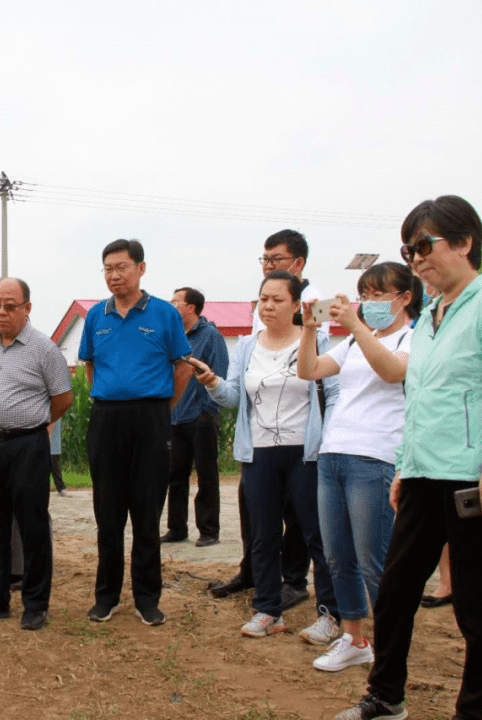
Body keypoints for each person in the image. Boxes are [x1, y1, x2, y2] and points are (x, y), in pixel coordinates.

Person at [336, 196, 482, 720]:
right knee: (393, 593)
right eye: (407, 249)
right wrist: (406, 465)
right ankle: (386, 695)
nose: (415, 258)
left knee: (476, 606)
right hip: (421, 474)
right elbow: (424, 396)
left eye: (424, 246)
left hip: (472, 477)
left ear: (464, 243)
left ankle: (476, 711)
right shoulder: (433, 313)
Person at [194, 270, 340, 642]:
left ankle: (330, 614)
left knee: (315, 534)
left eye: (277, 299)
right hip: (258, 452)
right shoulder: (245, 346)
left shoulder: (318, 339)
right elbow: (233, 399)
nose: (269, 306)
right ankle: (267, 609)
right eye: (263, 299)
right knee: (263, 533)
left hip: (306, 454)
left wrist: (328, 443)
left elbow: (334, 397)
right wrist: (212, 382)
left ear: (296, 304)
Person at [297, 262, 419, 672]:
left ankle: (389, 644)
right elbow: (308, 370)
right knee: (338, 556)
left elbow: (392, 371)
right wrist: (310, 329)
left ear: (405, 298)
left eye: (380, 294)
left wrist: (356, 325)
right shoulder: (349, 345)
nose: (370, 302)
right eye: (365, 294)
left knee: (373, 559)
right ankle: (354, 637)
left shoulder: (413, 337)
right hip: (334, 453)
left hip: (376, 457)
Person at [78, 239, 193, 626]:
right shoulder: (96, 315)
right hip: (107, 420)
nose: (114, 275)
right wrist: (112, 397)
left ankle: (147, 598)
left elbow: (183, 367)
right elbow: (90, 368)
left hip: (152, 419)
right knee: (107, 514)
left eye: (122, 267)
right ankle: (106, 597)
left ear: (141, 269)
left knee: (147, 512)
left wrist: (161, 409)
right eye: (108, 268)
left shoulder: (164, 314)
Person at [0, 278, 73, 631]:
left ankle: (35, 604)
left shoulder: (44, 348)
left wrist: (31, 425)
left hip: (27, 447)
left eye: (9, 306)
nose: (0, 312)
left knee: (32, 526)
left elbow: (62, 399)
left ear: (27, 308)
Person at [210, 229, 316, 612]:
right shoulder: (257, 327)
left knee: (301, 517)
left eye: (276, 259)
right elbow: (238, 389)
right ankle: (254, 574)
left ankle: (294, 580)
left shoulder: (312, 319)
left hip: (299, 443)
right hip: (257, 442)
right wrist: (215, 384)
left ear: (298, 264)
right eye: (265, 260)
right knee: (256, 513)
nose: (268, 265)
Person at [164, 286, 229, 547]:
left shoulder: (211, 336)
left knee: (206, 476)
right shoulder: (174, 336)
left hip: (201, 417)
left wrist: (207, 411)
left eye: (175, 301)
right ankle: (177, 529)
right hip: (176, 416)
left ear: (190, 307)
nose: (171, 305)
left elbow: (220, 372)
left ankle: (209, 531)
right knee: (175, 476)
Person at [48, 421, 68, 496]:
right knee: (54, 467)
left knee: (54, 467)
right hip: (50, 443)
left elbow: (51, 423)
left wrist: (48, 437)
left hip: (52, 444)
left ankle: (61, 488)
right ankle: (61, 488)